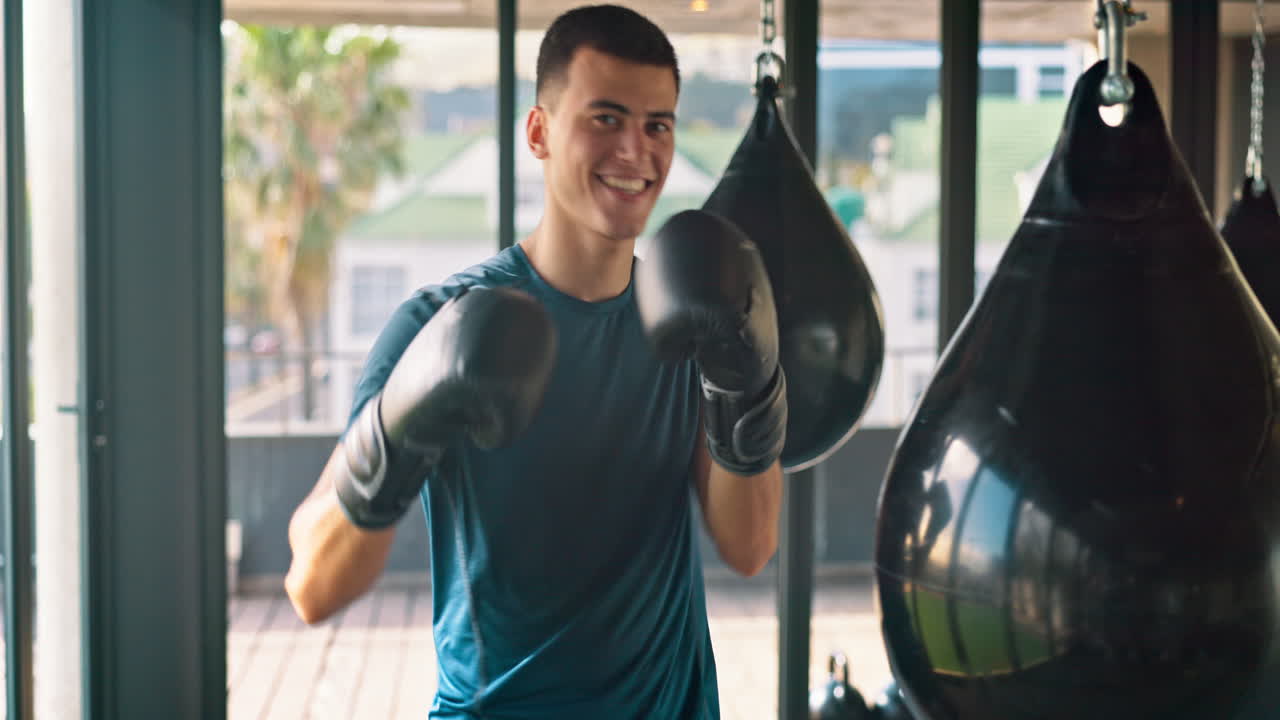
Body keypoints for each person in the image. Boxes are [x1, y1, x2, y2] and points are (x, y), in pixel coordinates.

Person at [283, 5, 787, 718]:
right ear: (539, 133)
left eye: (658, 125)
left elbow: (750, 546)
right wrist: (397, 432)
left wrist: (750, 383)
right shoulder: (439, 324)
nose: (635, 151)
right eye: (605, 118)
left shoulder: (691, 319)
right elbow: (311, 587)